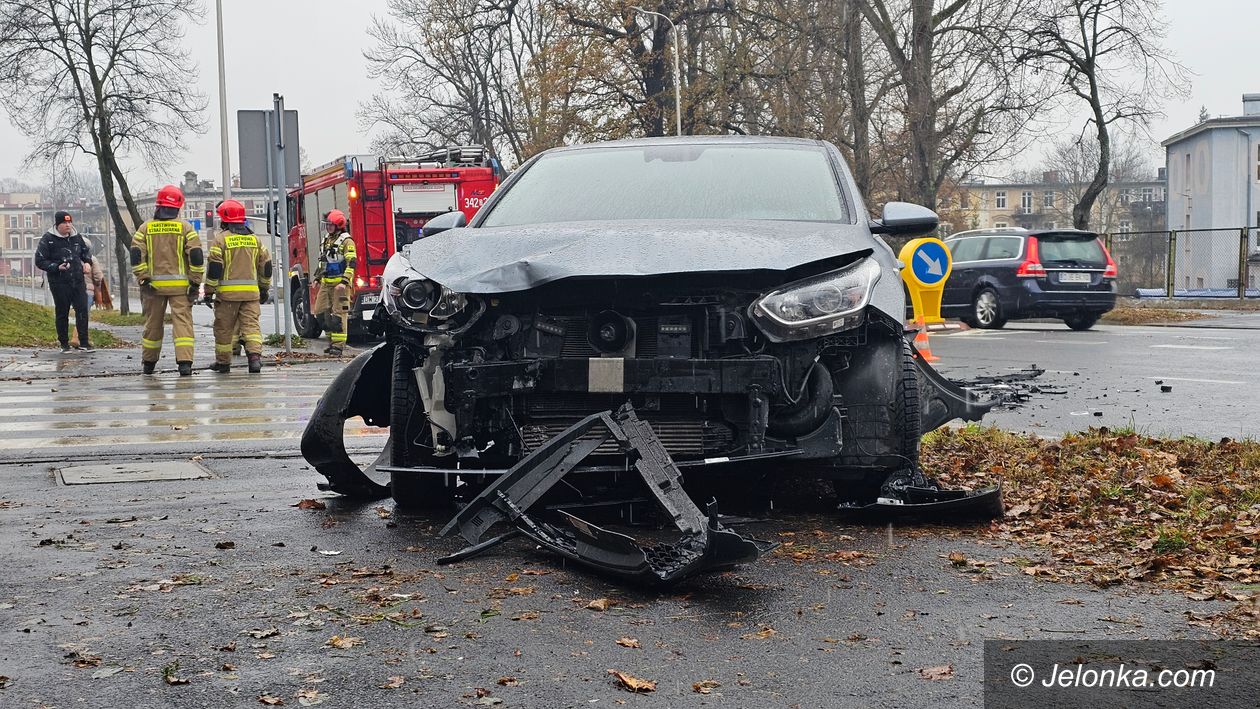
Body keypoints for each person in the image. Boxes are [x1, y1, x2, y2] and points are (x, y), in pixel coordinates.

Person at [131, 184, 205, 376]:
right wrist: (195, 283)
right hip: (181, 289)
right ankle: (185, 364)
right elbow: (196, 257)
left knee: (153, 325)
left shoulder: (145, 228)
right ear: (178, 206)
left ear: (158, 205)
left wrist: (143, 279)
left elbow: (137, 255)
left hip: (153, 288)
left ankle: (149, 363)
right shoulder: (185, 228)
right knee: (183, 325)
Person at [204, 199, 272, 374]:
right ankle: (255, 360)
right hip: (251, 294)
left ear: (225, 219)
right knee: (251, 327)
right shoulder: (255, 240)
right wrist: (264, 288)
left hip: (227, 296)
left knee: (224, 329)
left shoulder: (220, 240)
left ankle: (223, 363)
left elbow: (215, 269)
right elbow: (266, 266)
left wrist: (208, 291)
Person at [34, 211, 94, 353]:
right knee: (62, 312)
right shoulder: (48, 239)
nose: (68, 225)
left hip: (78, 280)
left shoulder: (77, 237)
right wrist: (56, 267)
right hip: (59, 283)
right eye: (64, 223)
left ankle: (84, 342)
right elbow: (40, 261)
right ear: (57, 224)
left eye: (69, 222)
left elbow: (86, 254)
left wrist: (87, 263)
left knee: (82, 311)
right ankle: (64, 343)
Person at [312, 209, 356, 357]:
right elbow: (323, 261)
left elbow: (352, 263)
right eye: (327, 225)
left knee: (339, 314)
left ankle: (338, 346)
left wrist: (344, 281)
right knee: (319, 312)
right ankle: (331, 341)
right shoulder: (326, 239)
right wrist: (318, 278)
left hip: (341, 287)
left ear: (339, 225)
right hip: (326, 283)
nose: (328, 227)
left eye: (331, 225)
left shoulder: (347, 241)